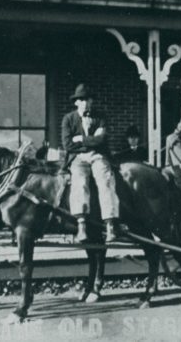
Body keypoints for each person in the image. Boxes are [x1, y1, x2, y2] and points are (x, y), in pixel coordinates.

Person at [61, 83, 120, 243]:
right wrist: (91, 141)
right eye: (81, 99)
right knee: (80, 183)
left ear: (92, 101)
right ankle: (81, 227)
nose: (85, 102)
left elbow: (102, 140)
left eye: (88, 99)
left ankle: (110, 226)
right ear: (76, 102)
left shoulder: (100, 117)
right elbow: (67, 145)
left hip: (98, 156)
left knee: (105, 182)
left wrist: (80, 139)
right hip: (78, 158)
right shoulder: (69, 119)